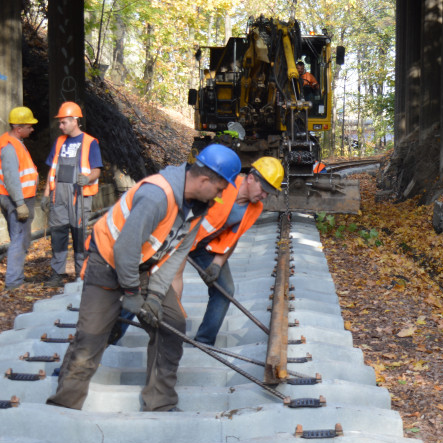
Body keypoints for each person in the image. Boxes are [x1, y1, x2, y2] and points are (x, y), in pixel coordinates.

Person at [46, 144, 240, 412]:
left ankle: (160, 401)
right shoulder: (157, 196)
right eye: (220, 189)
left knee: (171, 324)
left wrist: (156, 296)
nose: (220, 197)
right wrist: (132, 294)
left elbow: (176, 253)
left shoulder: (197, 207)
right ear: (205, 179)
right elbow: (124, 247)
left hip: (144, 267)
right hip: (108, 261)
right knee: (92, 335)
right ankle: (65, 403)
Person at [187, 156, 283, 346]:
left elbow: (233, 238)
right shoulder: (224, 184)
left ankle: (204, 342)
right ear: (250, 178)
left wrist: (217, 264)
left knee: (225, 290)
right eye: (263, 189)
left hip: (205, 248)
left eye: (268, 193)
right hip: (181, 239)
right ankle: (116, 329)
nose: (264, 195)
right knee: (155, 286)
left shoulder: (255, 208)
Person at [42, 101, 103, 287]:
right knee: (58, 235)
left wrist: (87, 178)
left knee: (79, 236)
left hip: (79, 196)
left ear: (75, 121)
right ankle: (57, 274)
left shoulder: (90, 142)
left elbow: (97, 170)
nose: (60, 126)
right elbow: (51, 169)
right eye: (60, 123)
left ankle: (80, 274)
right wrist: (45, 194)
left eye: (64, 122)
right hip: (58, 196)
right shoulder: (59, 141)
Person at [0, 107, 39, 291]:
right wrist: (20, 204)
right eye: (29, 126)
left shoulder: (15, 142)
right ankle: (14, 282)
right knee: (19, 238)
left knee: (20, 237)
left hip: (15, 198)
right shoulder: (9, 147)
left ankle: (17, 277)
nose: (32, 129)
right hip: (17, 199)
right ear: (18, 128)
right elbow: (11, 178)